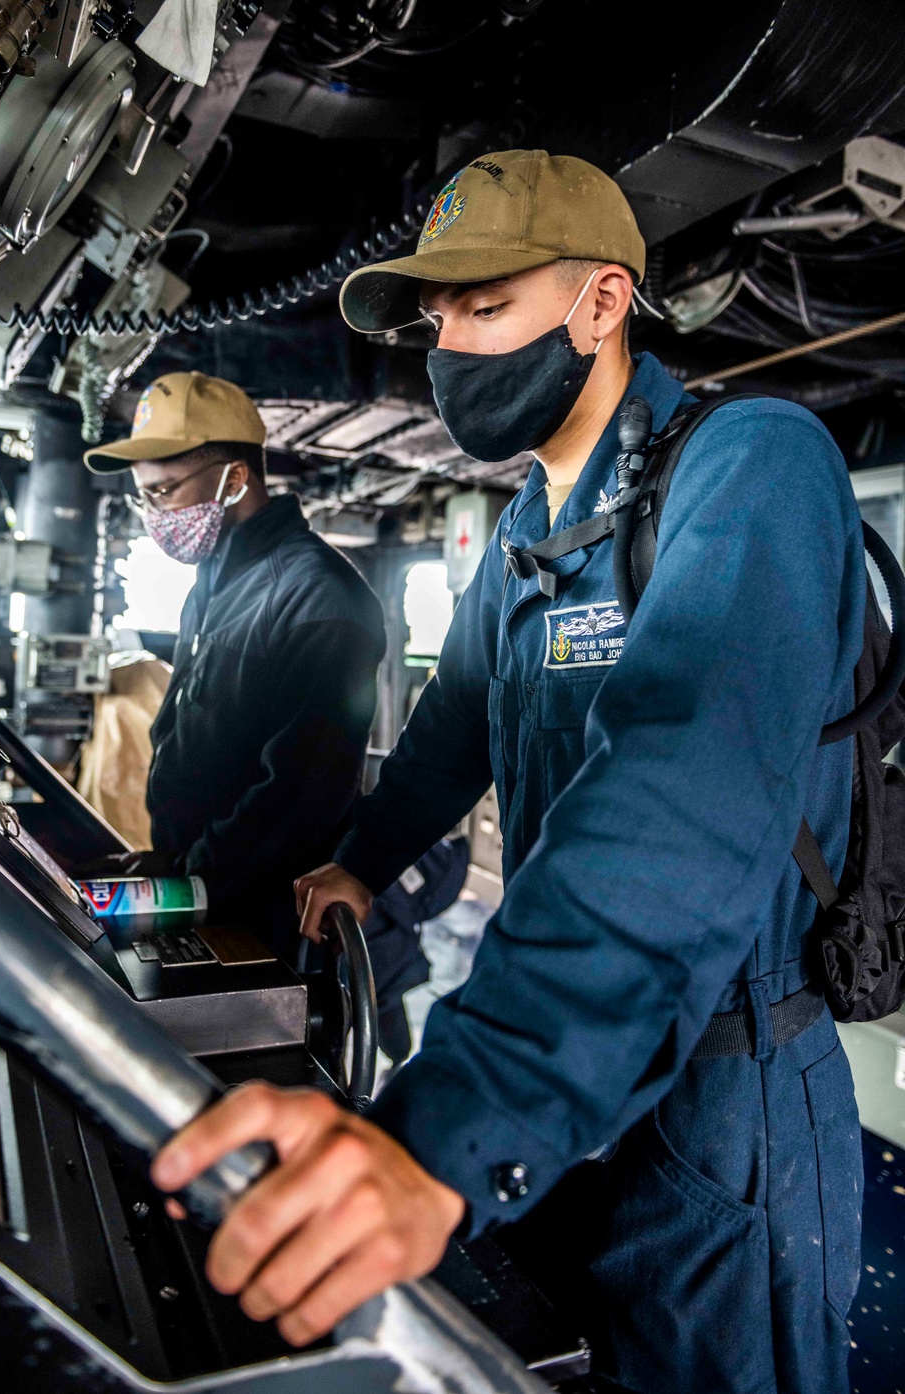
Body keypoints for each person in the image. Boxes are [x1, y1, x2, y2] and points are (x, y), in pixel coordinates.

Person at [150, 154, 866, 1394]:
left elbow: (676, 791)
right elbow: (453, 725)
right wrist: (361, 863)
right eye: (438, 320)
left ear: (602, 304)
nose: (450, 349)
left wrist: (455, 1124)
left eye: (485, 307)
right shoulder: (531, 530)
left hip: (723, 1083)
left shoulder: (752, 465)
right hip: (569, 1041)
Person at [83, 372, 386, 959]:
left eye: (164, 491)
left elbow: (303, 790)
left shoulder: (319, 596)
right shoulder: (212, 584)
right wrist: (171, 862)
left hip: (267, 910)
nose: (153, 513)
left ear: (235, 477)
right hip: (202, 882)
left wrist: (196, 876)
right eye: (143, 494)